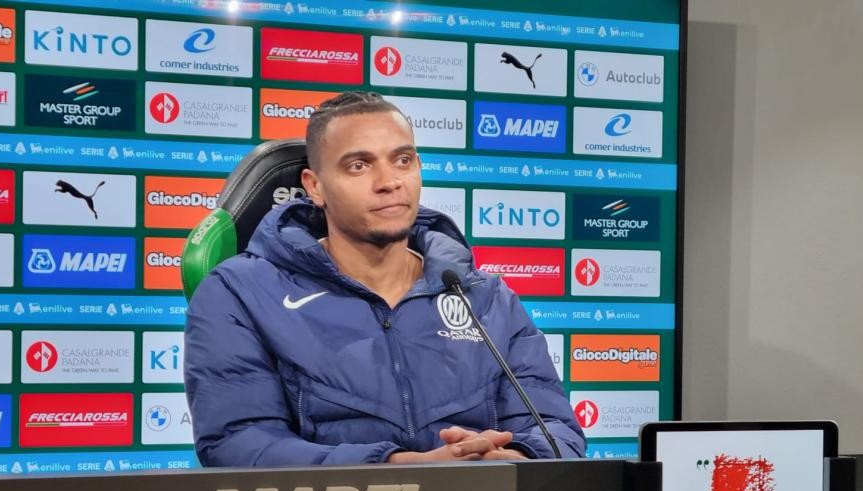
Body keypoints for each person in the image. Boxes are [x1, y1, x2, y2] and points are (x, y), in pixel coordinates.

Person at [184, 91, 585, 467]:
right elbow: (239, 444)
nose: (389, 181)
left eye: (403, 160)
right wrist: (405, 468)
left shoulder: (485, 297)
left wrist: (506, 457)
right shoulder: (239, 292)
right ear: (315, 187)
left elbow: (557, 431)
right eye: (359, 165)